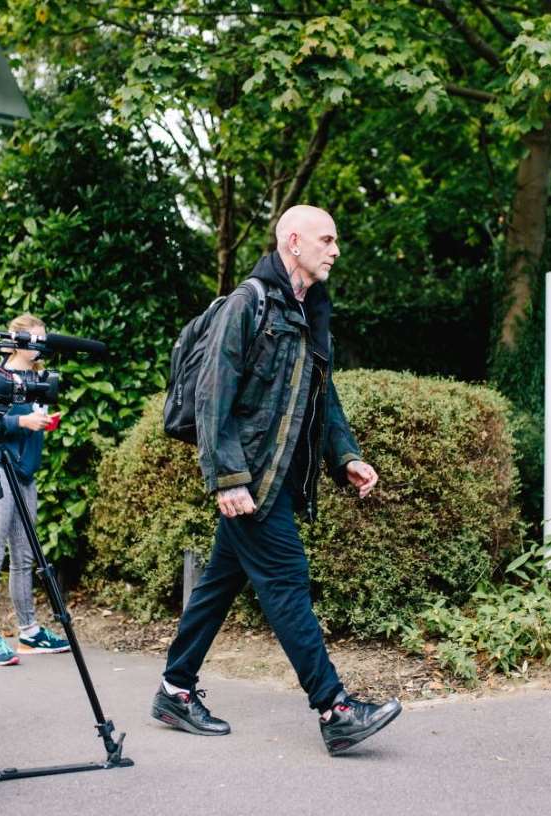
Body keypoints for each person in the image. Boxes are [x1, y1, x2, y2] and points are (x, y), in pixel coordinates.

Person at [151, 205, 402, 756]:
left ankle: (174, 689)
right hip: (252, 481)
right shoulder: (250, 302)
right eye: (326, 239)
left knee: (218, 585)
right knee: (287, 584)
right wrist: (228, 479)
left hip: (279, 478)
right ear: (293, 242)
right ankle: (335, 710)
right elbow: (211, 394)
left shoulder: (310, 311)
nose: (335, 250)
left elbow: (322, 396)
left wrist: (346, 457)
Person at [0, 313, 71, 667]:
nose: (40, 345)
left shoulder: (40, 377)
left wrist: (40, 424)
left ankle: (28, 631)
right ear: (15, 340)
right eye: (34, 339)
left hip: (26, 473)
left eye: (43, 338)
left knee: (25, 556)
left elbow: (34, 418)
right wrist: (20, 421)